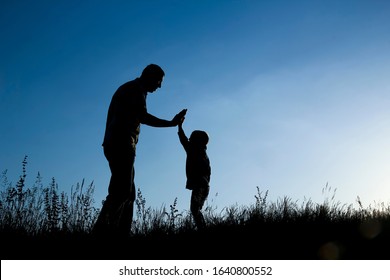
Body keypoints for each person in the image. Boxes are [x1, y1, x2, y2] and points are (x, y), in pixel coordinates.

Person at [93, 64, 187, 238]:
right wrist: (171, 123)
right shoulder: (135, 90)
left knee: (128, 193)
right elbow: (142, 117)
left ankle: (119, 232)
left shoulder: (132, 89)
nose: (160, 86)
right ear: (150, 77)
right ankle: (101, 232)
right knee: (121, 192)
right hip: (122, 143)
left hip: (117, 143)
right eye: (159, 81)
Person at [177, 117, 211, 230]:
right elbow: (209, 173)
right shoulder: (204, 155)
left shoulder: (194, 151)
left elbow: (183, 140)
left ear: (197, 141)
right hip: (204, 186)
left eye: (191, 138)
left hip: (200, 185)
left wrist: (180, 126)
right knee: (196, 210)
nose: (189, 139)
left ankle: (202, 228)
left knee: (194, 209)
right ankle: (202, 227)